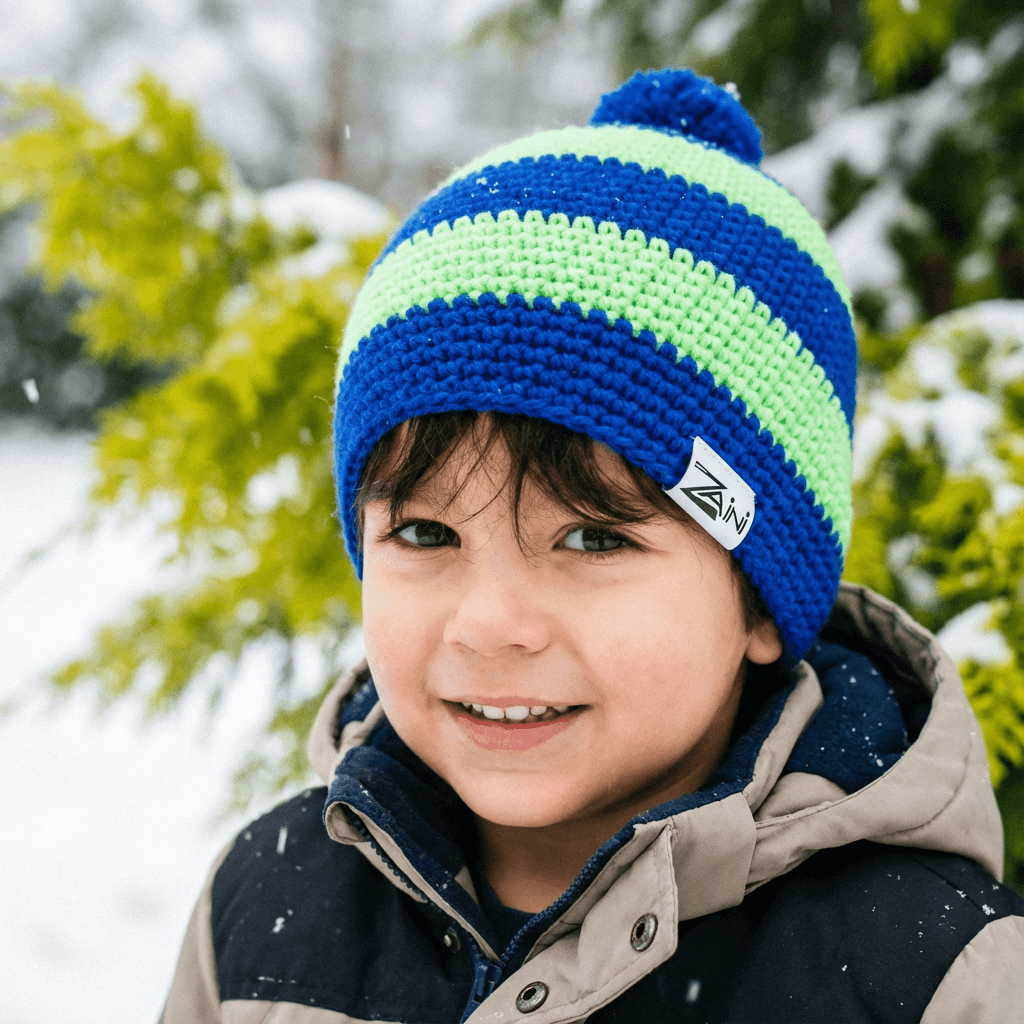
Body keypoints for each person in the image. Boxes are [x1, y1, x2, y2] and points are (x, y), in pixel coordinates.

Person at [161, 69, 1023, 1024]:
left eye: (591, 537)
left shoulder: (935, 981)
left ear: (762, 601)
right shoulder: (263, 914)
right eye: (423, 532)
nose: (490, 624)